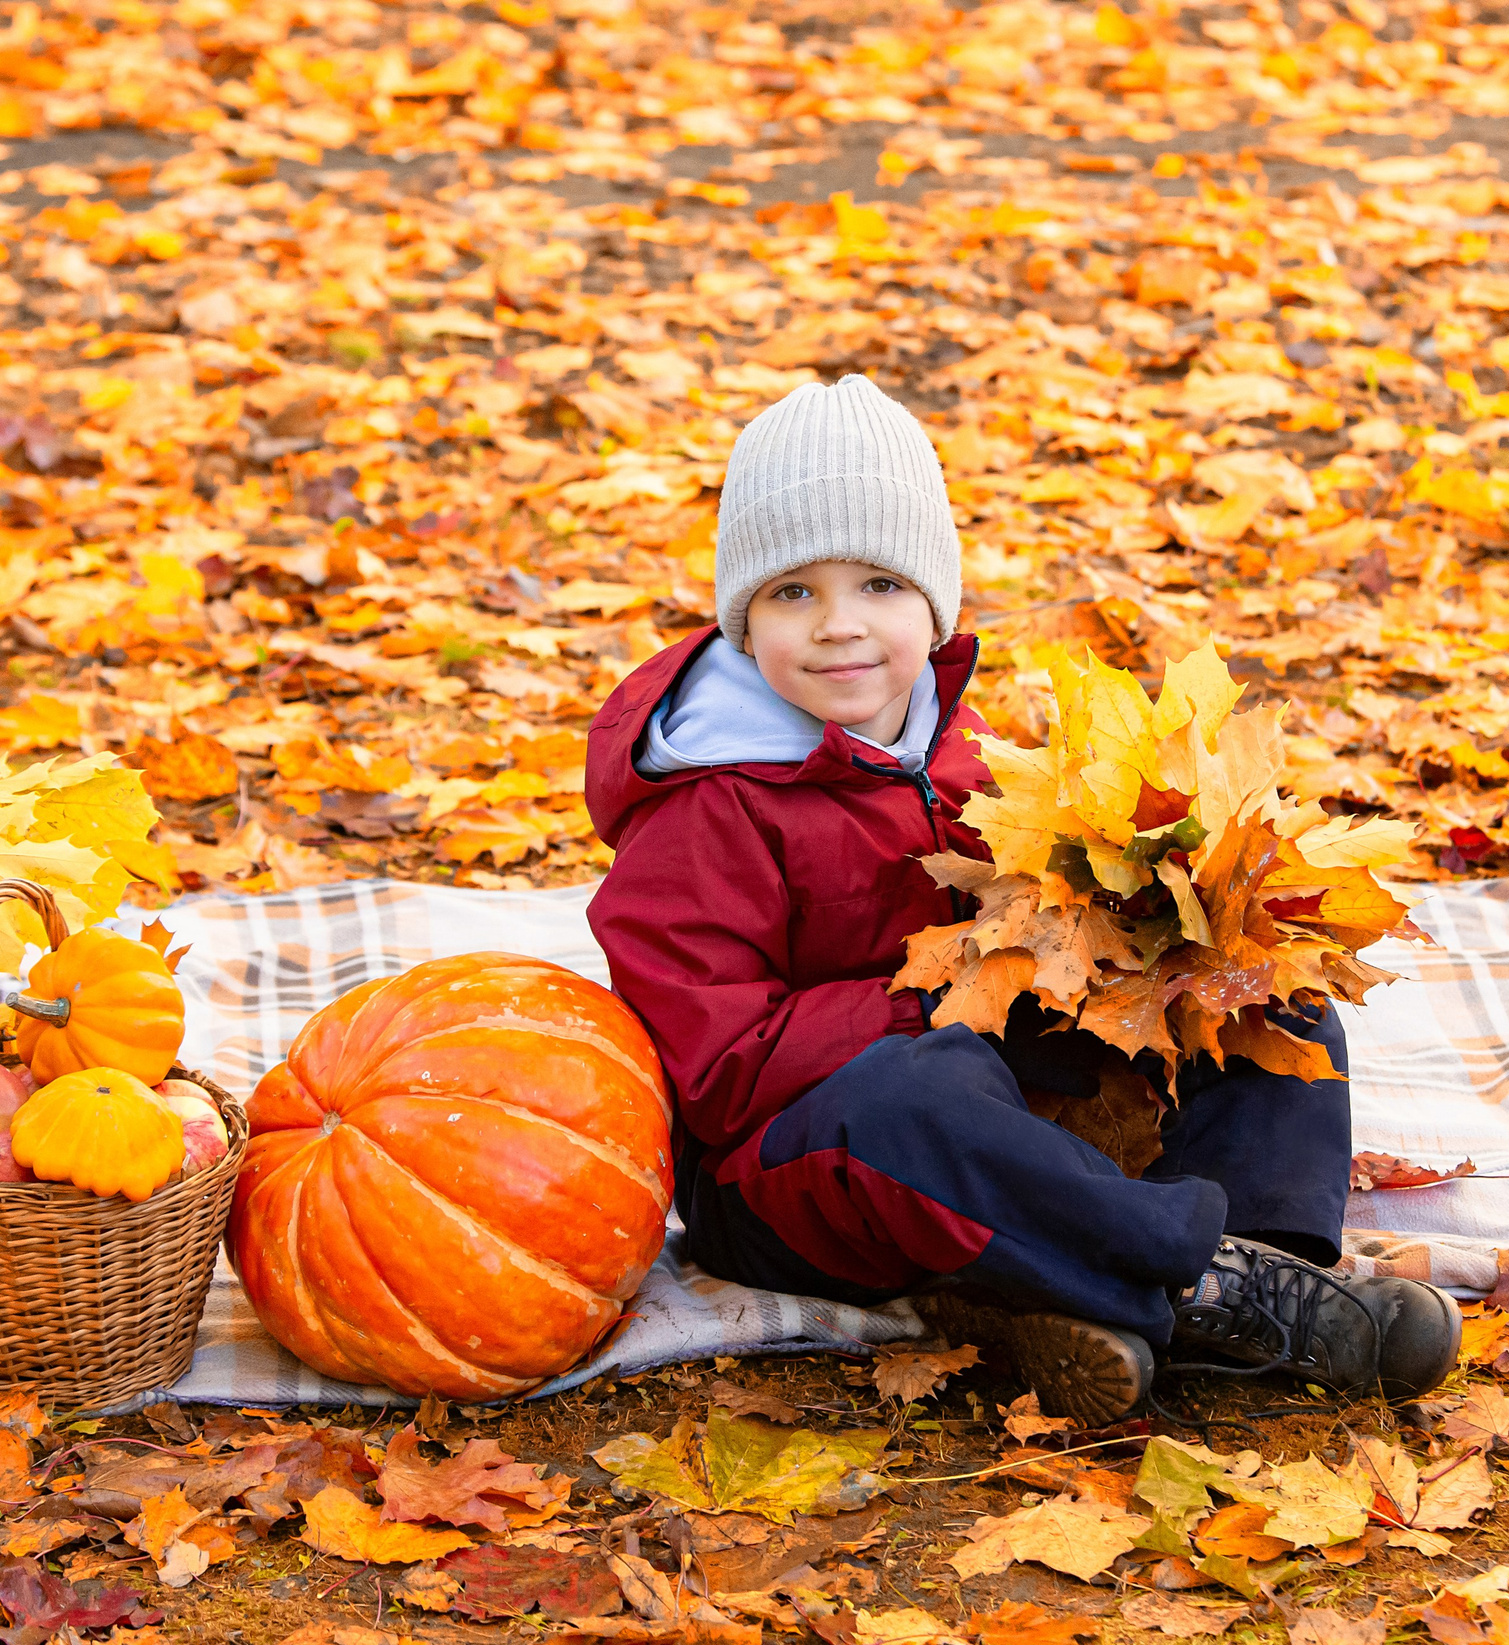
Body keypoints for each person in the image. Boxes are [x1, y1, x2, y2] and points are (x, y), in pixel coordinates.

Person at [583, 374, 1462, 1422]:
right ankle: (1184, 1281)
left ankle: (1268, 1273)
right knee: (922, 1092)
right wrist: (936, 992)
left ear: (932, 601)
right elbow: (718, 1073)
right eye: (792, 593)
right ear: (740, 618)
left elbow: (1046, 932)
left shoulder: (954, 750)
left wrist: (1128, 927)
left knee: (1246, 982)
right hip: (792, 1166)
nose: (838, 627)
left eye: (878, 585)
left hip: (979, 1093)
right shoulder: (705, 804)